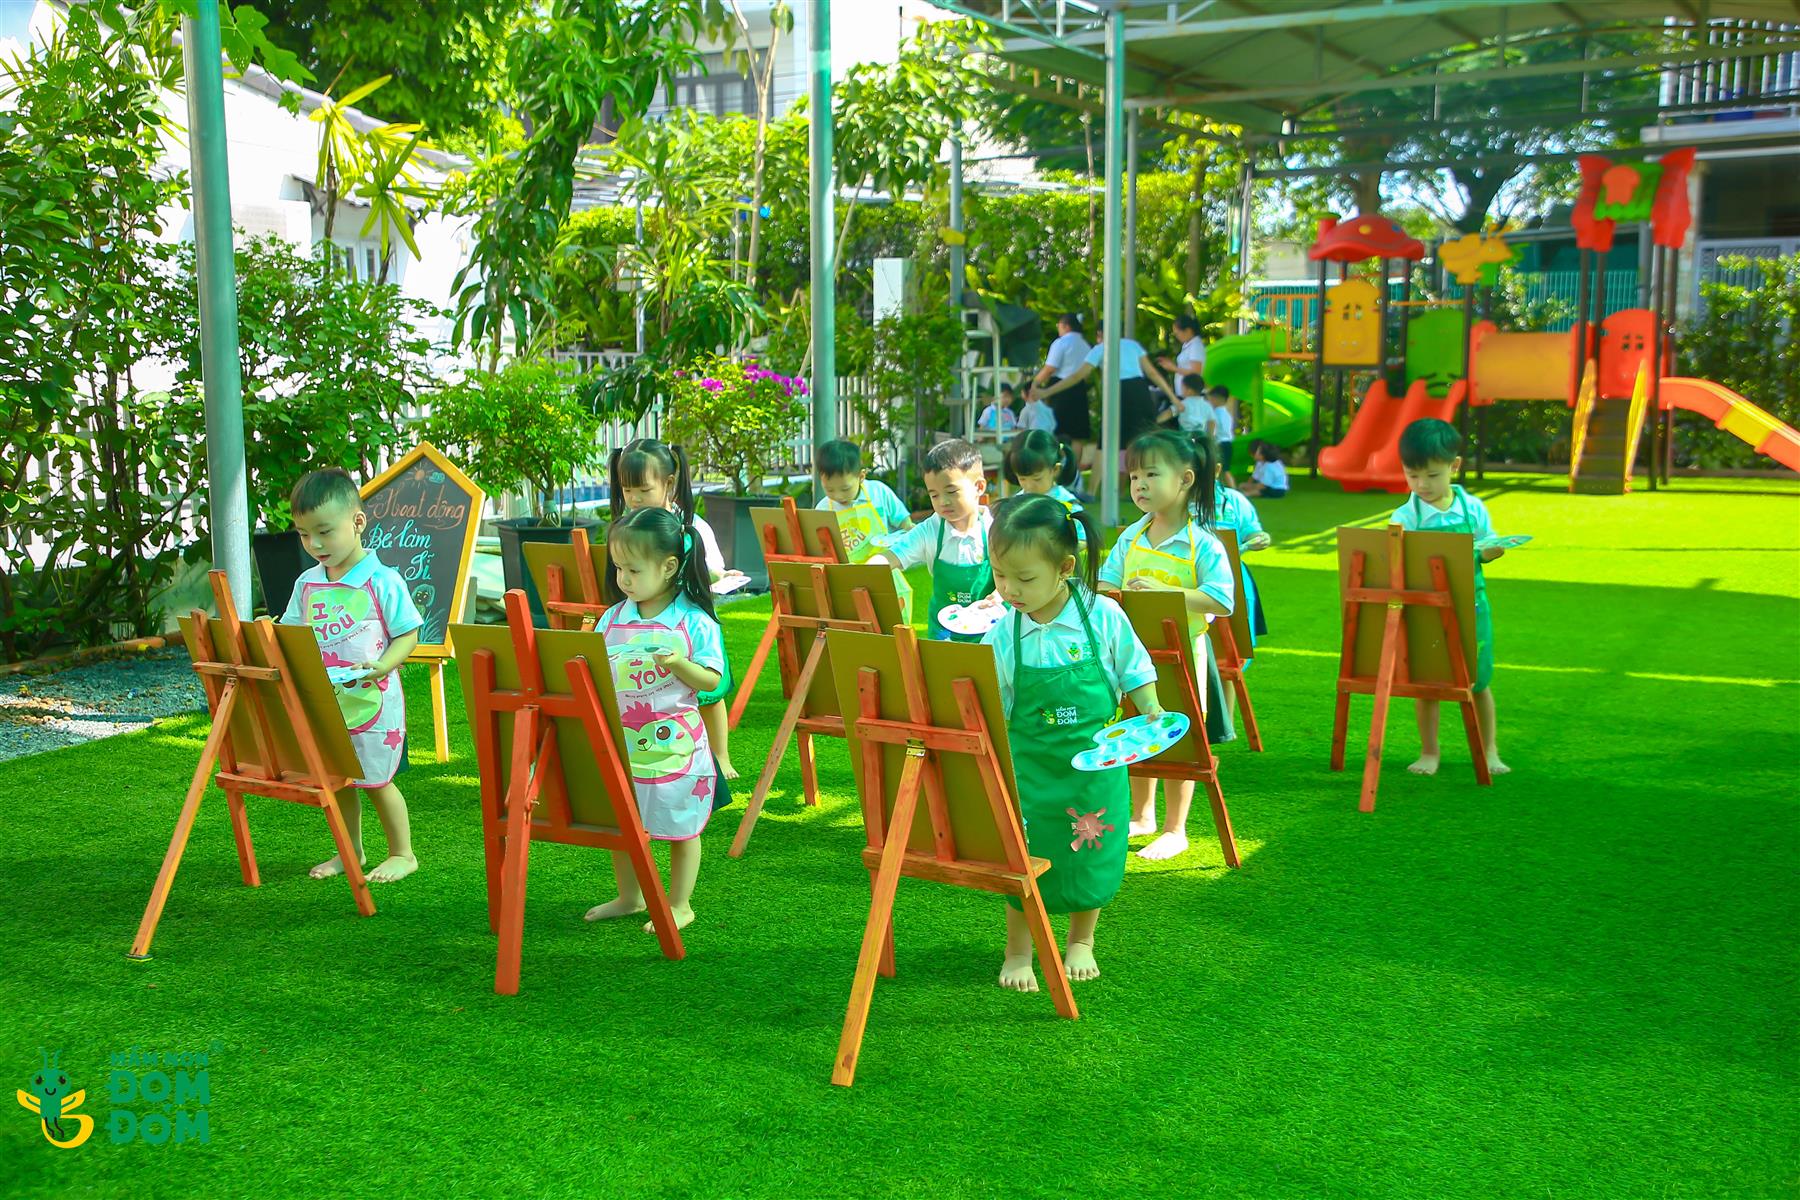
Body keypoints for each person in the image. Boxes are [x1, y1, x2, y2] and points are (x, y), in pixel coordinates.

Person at [983, 493, 1160, 991]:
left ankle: (1082, 940)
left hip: (1096, 769)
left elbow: (1135, 668)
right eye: (1000, 575)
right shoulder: (1003, 633)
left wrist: (1150, 708)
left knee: (1089, 854)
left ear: (1064, 568)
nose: (1010, 589)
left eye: (1024, 578)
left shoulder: (1103, 615)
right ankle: (1019, 951)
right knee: (1023, 858)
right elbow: (991, 703)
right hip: (1030, 772)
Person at [583, 507, 729, 933]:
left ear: (668, 567)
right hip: (625, 745)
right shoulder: (613, 618)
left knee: (682, 826)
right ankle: (631, 897)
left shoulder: (694, 621)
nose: (623, 579)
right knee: (623, 823)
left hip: (676, 746)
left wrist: (680, 664)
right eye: (618, 568)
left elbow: (712, 681)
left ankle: (680, 904)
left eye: (633, 570)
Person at [1098, 430, 1236, 862]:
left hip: (1183, 657)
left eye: (1151, 474)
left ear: (1185, 479)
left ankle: (1176, 828)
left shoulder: (1203, 543)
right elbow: (1105, 583)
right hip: (1131, 655)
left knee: (1180, 734)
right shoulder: (1131, 536)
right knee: (1136, 728)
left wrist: (1165, 592)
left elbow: (1222, 600)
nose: (1139, 485)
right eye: (1134, 476)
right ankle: (1142, 816)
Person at [282, 468, 422, 884]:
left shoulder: (383, 580)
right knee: (339, 781)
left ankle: (403, 853)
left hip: (374, 703)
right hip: (329, 704)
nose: (314, 544)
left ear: (358, 522)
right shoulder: (307, 583)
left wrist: (385, 664)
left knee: (378, 781)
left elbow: (408, 633)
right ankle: (351, 851)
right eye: (304, 534)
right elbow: (292, 631)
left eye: (324, 532)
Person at [611, 438, 741, 779]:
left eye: (643, 489)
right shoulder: (630, 527)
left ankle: (720, 755)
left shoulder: (688, 527)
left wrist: (720, 576)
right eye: (627, 490)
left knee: (710, 690)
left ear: (669, 483)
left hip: (684, 619)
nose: (635, 498)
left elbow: (706, 566)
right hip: (646, 619)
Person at [1392, 418, 1510, 777]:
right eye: (1412, 475)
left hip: (1472, 606)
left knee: (1479, 682)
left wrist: (1490, 552)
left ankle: (1489, 750)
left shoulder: (1472, 508)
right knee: (1428, 684)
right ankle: (1429, 751)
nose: (1422, 485)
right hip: (1426, 609)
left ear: (1453, 466)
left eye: (1432, 475)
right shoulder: (1405, 516)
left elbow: (1486, 544)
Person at [869, 439, 994, 643]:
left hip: (991, 633)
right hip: (944, 634)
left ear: (979, 487)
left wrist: (998, 597)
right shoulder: (929, 530)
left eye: (951, 492)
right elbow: (891, 557)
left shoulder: (994, 529)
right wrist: (863, 570)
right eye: (934, 495)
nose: (943, 502)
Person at [1034, 320, 1180, 487]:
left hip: (1116, 392)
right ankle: (1143, 485)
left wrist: (1047, 391)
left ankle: (1091, 491)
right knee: (1141, 440)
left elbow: (1077, 376)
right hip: (1139, 391)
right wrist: (1174, 398)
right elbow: (1152, 373)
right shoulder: (1132, 345)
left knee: (1105, 444)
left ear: (1100, 334)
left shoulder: (1100, 348)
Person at [815, 438, 915, 621]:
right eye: (829, 490)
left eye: (845, 489)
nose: (838, 496)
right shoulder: (823, 508)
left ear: (861, 476)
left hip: (884, 568)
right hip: (847, 577)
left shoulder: (879, 492)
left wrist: (908, 529)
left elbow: (903, 520)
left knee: (894, 614)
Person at [1030, 312, 1093, 473]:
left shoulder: (1061, 343)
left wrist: (1035, 384)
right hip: (1079, 388)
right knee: (1077, 434)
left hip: (1060, 388)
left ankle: (1055, 467)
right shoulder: (1085, 344)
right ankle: (1073, 470)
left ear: (1065, 326)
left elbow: (1050, 368)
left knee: (1055, 429)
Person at [1003, 429, 1085, 543]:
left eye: (1037, 479)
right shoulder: (1016, 503)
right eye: (1022, 479)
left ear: (1055, 470)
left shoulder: (1068, 505)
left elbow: (1083, 539)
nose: (1029, 486)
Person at [1158, 313, 1207, 399]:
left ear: (1188, 330)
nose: (1177, 337)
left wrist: (1173, 368)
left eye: (1177, 333)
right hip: (1183, 393)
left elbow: (1196, 373)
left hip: (1192, 395)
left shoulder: (1196, 346)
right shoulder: (1187, 345)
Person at [1209, 385, 1239, 488]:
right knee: (1224, 470)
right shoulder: (1227, 414)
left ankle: (1233, 490)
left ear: (1218, 399)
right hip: (1228, 443)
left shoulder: (1215, 413)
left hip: (1220, 444)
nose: (1210, 401)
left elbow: (1213, 430)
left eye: (1212, 398)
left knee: (1222, 470)